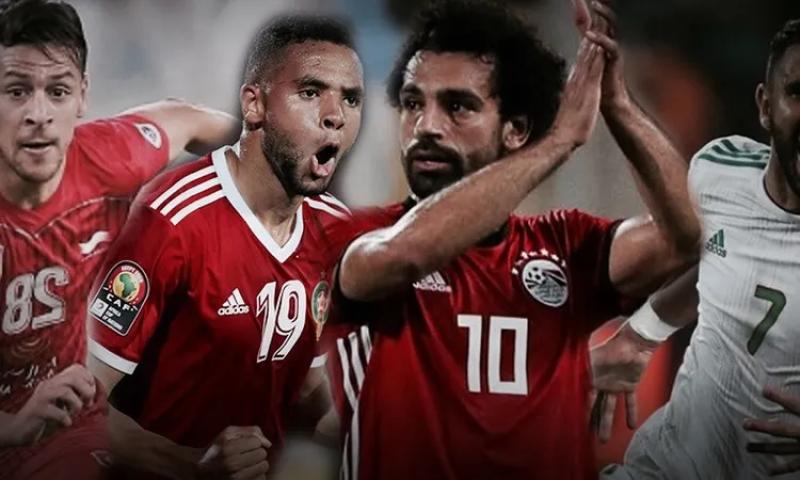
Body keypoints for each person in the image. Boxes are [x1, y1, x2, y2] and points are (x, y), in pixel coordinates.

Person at [320, 0, 700, 478]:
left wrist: (617, 105)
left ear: (515, 131)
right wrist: (559, 141)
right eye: (414, 103)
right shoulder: (352, 232)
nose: (426, 126)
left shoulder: (564, 245)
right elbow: (406, 255)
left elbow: (684, 235)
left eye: (457, 106)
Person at [87, 14, 363, 479]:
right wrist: (194, 465)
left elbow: (298, 382)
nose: (335, 115)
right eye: (311, 92)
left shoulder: (334, 229)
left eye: (351, 98)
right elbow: (80, 414)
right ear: (254, 105)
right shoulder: (173, 219)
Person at [0, 0, 237, 478]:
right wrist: (13, 426)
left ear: (82, 96)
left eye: (58, 91)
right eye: (17, 91)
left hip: (78, 427)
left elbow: (188, 119)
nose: (38, 114)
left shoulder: (110, 158)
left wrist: (280, 167)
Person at [595, 17, 800, 480]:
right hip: (666, 464)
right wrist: (640, 334)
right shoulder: (720, 170)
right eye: (798, 92)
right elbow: (719, 260)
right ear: (766, 107)